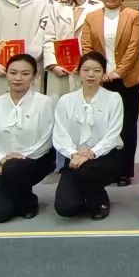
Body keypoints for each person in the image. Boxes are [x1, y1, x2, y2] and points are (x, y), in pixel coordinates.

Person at [80, 0, 139, 186]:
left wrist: (118, 72)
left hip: (127, 79)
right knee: (103, 125)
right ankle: (105, 168)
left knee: (127, 126)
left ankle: (125, 171)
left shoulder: (133, 15)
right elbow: (87, 47)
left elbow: (134, 47)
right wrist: (98, 72)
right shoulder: (91, 17)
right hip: (100, 80)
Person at [0, 54, 56, 222]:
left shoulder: (45, 102)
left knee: (14, 168)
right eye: (13, 73)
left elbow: (46, 140)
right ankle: (13, 193)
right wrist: (2, 159)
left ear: (34, 76)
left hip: (35, 160)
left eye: (25, 74)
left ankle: (28, 202)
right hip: (0, 163)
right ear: (6, 74)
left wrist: (15, 159)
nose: (18, 78)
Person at [53, 51, 125, 220]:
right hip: (75, 159)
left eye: (97, 70)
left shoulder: (113, 98)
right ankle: (83, 193)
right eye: (86, 70)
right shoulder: (65, 100)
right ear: (78, 72)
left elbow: (113, 134)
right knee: (66, 208)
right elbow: (60, 134)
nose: (91, 74)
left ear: (104, 74)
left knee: (87, 173)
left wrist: (91, 153)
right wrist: (74, 154)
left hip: (105, 156)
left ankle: (100, 200)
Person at [42, 0, 103, 101]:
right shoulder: (58, 7)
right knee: (59, 107)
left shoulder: (99, 7)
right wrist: (53, 65)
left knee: (86, 105)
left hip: (88, 68)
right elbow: (48, 38)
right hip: (60, 67)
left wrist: (89, 65)